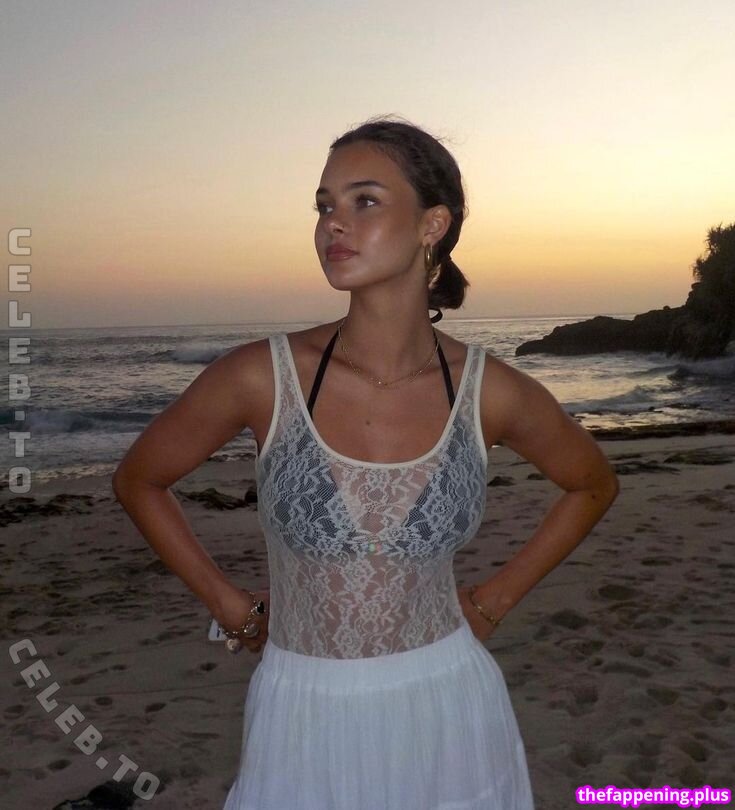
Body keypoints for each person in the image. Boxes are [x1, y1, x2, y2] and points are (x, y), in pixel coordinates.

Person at [112, 117, 619, 809]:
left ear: (432, 224)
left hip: (447, 702)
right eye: (324, 205)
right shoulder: (263, 376)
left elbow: (591, 484)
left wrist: (494, 600)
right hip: (301, 709)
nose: (333, 224)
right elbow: (140, 479)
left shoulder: (488, 391)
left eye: (365, 201)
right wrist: (227, 604)